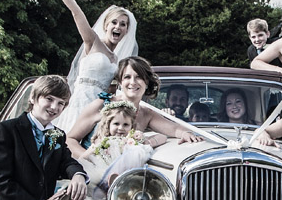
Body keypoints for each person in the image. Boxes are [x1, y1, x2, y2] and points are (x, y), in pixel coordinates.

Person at [41, 0, 138, 133]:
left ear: (126, 30)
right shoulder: (93, 42)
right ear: (106, 25)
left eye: (123, 24)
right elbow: (76, 13)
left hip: (100, 110)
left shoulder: (118, 60)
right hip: (80, 103)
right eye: (114, 22)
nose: (118, 27)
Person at [64, 56, 203, 158]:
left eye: (138, 77)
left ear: (147, 82)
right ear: (120, 82)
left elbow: (175, 129)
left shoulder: (147, 114)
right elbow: (70, 140)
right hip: (90, 169)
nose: (133, 82)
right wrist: (89, 159)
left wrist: (186, 134)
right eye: (127, 77)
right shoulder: (101, 105)